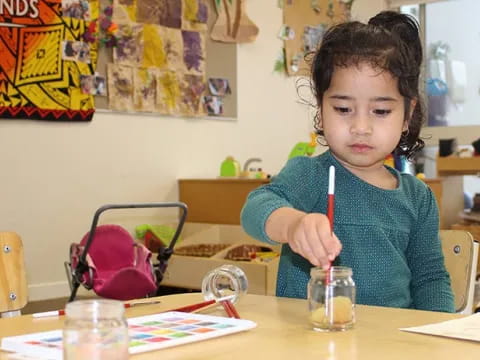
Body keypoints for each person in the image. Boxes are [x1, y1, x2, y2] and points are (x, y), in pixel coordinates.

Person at [241, 11, 454, 312]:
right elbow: (256, 208)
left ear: (407, 115)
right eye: (343, 109)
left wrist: (438, 334)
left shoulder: (418, 198)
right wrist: (293, 225)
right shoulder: (310, 173)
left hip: (389, 344)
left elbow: (430, 278)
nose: (361, 127)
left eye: (380, 112)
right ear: (321, 108)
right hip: (306, 341)